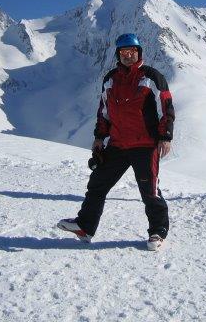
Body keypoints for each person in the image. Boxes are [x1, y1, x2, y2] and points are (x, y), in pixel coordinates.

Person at [57, 33, 175, 251]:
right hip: (118, 144)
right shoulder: (110, 79)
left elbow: (166, 107)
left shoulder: (151, 77)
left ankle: (158, 231)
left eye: (132, 51)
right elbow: (104, 112)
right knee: (97, 183)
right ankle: (85, 227)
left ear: (139, 53)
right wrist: (99, 137)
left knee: (150, 190)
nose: (128, 56)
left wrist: (165, 136)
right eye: (123, 52)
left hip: (145, 144)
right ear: (118, 55)